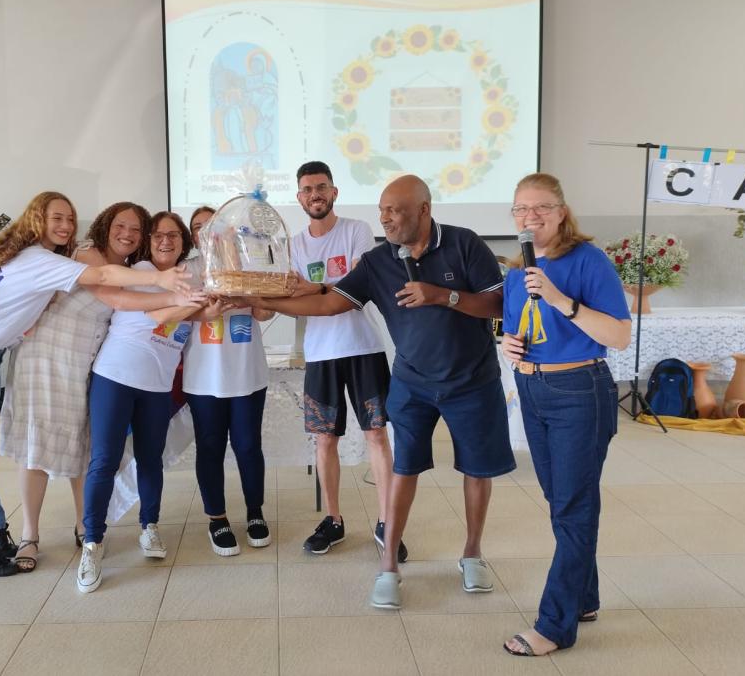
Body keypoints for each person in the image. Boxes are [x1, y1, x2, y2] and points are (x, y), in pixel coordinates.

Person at [243, 175, 513, 610]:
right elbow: (331, 303)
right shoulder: (377, 261)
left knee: (476, 471)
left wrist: (443, 296)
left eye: (395, 210)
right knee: (404, 467)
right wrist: (271, 302)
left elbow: (499, 304)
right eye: (382, 211)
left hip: (473, 381)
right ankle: (389, 565)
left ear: (424, 209)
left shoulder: (466, 244)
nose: (385, 218)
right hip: (413, 383)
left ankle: (472, 554)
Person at [0, 192, 190, 578]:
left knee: (80, 445)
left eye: (136, 230)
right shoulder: (89, 254)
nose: (127, 233)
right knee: (35, 448)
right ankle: (29, 535)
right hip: (46, 357)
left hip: (84, 364)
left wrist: (184, 296)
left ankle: (84, 526)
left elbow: (145, 312)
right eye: (120, 225)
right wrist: (167, 285)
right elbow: (114, 296)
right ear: (105, 225)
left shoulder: (130, 266)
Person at [500, 173, 631, 657]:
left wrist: (560, 299)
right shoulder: (517, 273)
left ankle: (554, 626)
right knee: (564, 503)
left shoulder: (589, 262)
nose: (529, 217)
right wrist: (510, 345)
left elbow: (618, 336)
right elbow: (518, 330)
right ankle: (585, 598)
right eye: (520, 209)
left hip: (580, 390)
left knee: (574, 507)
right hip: (532, 389)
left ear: (561, 211)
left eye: (540, 208)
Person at [286, 161, 406, 561]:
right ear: (299, 197)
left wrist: (314, 287)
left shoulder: (355, 230)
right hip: (320, 353)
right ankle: (334, 520)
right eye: (307, 189)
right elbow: (296, 300)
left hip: (363, 348)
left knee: (376, 436)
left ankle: (388, 521)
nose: (315, 194)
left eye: (321, 187)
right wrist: (307, 292)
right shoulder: (294, 245)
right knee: (324, 440)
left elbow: (357, 285)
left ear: (334, 192)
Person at [77, 211, 203, 592]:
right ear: (149, 242)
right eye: (159, 235)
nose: (166, 241)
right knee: (104, 461)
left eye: (174, 237)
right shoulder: (143, 272)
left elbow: (191, 316)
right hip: (114, 378)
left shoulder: (188, 279)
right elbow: (155, 315)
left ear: (184, 244)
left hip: (157, 386)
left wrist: (204, 301)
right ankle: (92, 542)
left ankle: (149, 526)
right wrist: (193, 303)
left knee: (152, 460)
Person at [181, 208, 273, 556]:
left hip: (248, 373)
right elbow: (175, 314)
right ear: (193, 236)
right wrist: (206, 309)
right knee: (210, 448)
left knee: (249, 446)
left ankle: (255, 512)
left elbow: (265, 312)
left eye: (214, 225)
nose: (207, 232)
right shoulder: (187, 271)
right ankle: (217, 519)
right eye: (199, 228)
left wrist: (247, 296)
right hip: (204, 377)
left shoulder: (249, 266)